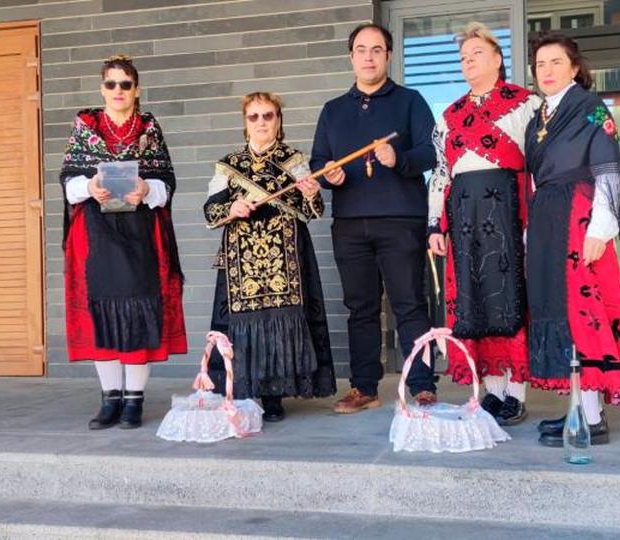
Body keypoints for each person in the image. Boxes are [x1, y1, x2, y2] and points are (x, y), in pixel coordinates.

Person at [523, 34, 620, 446]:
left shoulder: (589, 109)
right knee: (560, 313)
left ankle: (593, 418)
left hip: (578, 218)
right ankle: (579, 409)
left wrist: (600, 228)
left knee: (582, 313)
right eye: (541, 64)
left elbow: (608, 169)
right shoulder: (539, 117)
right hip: (547, 219)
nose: (547, 70)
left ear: (575, 68)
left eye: (556, 62)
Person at [310, 23, 439, 413]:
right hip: (349, 223)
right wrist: (328, 174)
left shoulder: (410, 101)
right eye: (361, 50)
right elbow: (318, 161)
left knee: (410, 304)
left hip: (401, 220)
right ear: (351, 57)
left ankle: (422, 384)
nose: (369, 57)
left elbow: (433, 154)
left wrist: (398, 159)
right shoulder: (333, 110)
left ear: (388, 56)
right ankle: (364, 386)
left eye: (377, 50)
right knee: (360, 307)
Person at [60, 54, 186, 430]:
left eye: (125, 84)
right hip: (97, 238)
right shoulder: (85, 128)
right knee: (104, 315)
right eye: (111, 84)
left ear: (137, 90)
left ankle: (134, 401)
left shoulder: (149, 128)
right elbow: (68, 185)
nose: (118, 90)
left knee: (135, 315)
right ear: (102, 89)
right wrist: (89, 187)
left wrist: (147, 189)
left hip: (140, 237)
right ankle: (109, 400)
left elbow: (167, 185)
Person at [427, 22, 541, 426]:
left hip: (508, 212)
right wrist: (434, 226)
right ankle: (492, 390)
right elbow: (441, 173)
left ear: (497, 59)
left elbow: (538, 167)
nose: (468, 61)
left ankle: (515, 391)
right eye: (462, 57)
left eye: (476, 53)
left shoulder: (526, 105)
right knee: (474, 299)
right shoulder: (450, 115)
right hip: (462, 218)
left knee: (508, 297)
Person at [203, 92, 336, 422]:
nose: (261, 122)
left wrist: (311, 193)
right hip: (241, 261)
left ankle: (275, 395)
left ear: (279, 120)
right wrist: (231, 207)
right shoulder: (228, 166)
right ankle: (246, 390)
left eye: (268, 115)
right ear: (245, 123)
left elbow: (312, 211)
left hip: (284, 258)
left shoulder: (295, 161)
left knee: (280, 320)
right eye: (254, 116)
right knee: (244, 324)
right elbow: (210, 211)